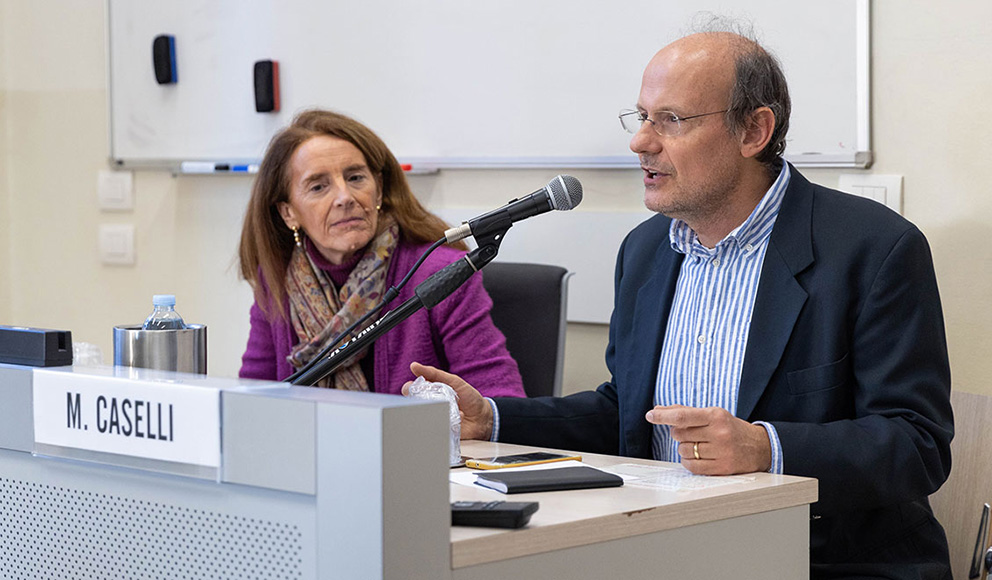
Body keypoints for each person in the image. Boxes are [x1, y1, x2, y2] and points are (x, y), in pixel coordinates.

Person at [406, 30, 954, 579]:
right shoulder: (645, 251)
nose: (640, 143)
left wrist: (767, 447)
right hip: (664, 548)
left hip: (821, 560)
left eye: (670, 120)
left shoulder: (872, 249)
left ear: (754, 131)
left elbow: (917, 441)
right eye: (641, 117)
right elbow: (624, 414)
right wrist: (494, 417)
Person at [238, 109, 525, 398]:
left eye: (355, 178)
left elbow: (501, 402)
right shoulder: (275, 281)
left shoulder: (442, 274)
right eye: (318, 186)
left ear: (378, 190)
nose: (345, 197)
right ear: (288, 213)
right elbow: (249, 403)